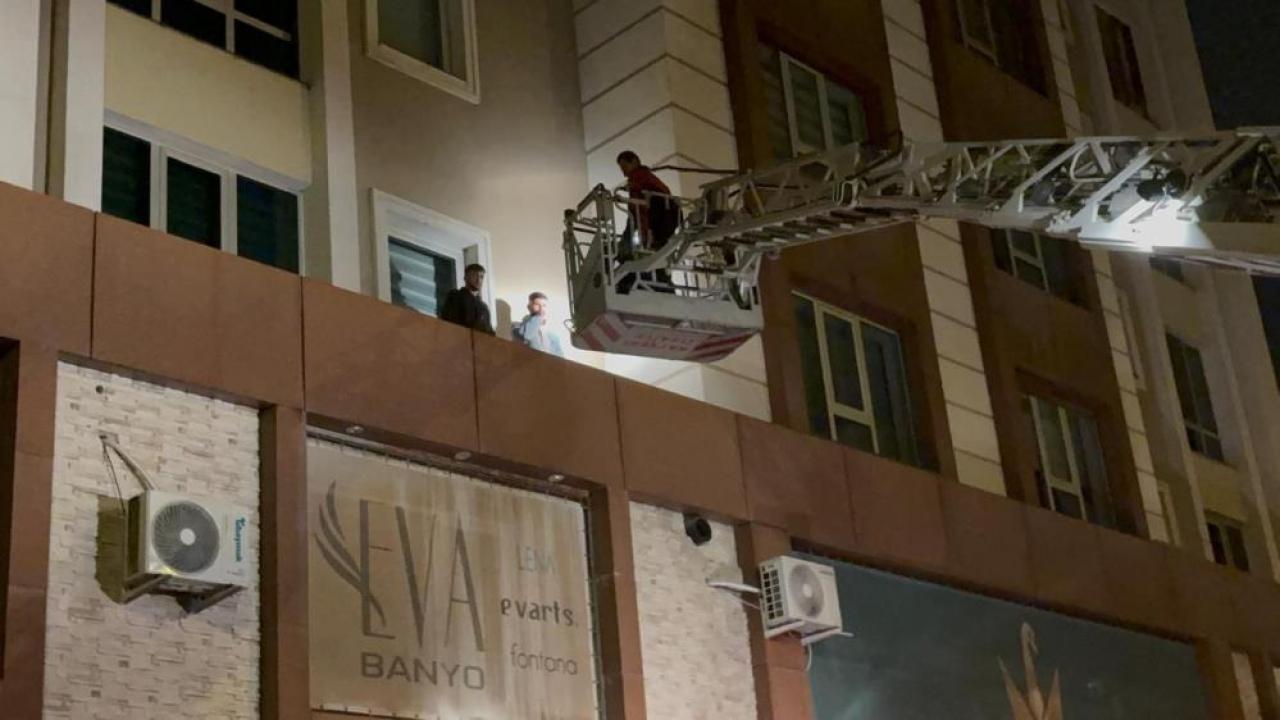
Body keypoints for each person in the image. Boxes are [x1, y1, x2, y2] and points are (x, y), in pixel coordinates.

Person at [616, 150, 680, 293]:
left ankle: (635, 278)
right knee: (658, 257)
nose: (624, 173)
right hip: (658, 226)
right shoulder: (647, 180)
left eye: (624, 167)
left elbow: (638, 209)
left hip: (656, 225)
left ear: (634, 162)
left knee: (651, 256)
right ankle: (663, 283)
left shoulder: (640, 177)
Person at [440, 263, 495, 335]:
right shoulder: (456, 296)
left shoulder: (484, 307)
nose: (478, 280)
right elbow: (449, 321)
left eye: (481, 277)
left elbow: (489, 332)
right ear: (466, 278)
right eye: (474, 275)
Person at [513, 292, 564, 357]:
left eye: (544, 305)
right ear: (529, 307)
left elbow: (560, 354)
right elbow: (528, 336)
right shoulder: (521, 327)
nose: (541, 308)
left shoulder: (553, 332)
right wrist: (538, 318)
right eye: (537, 304)